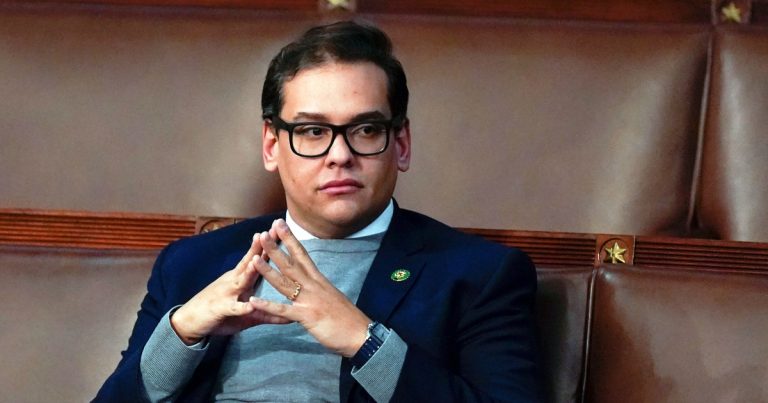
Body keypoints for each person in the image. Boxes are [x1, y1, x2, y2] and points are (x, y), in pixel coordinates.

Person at [95, 20, 539, 402]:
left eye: (366, 129)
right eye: (312, 131)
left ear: (401, 144)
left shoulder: (480, 275)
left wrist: (365, 342)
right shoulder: (192, 264)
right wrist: (181, 334)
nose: (340, 155)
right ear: (272, 145)